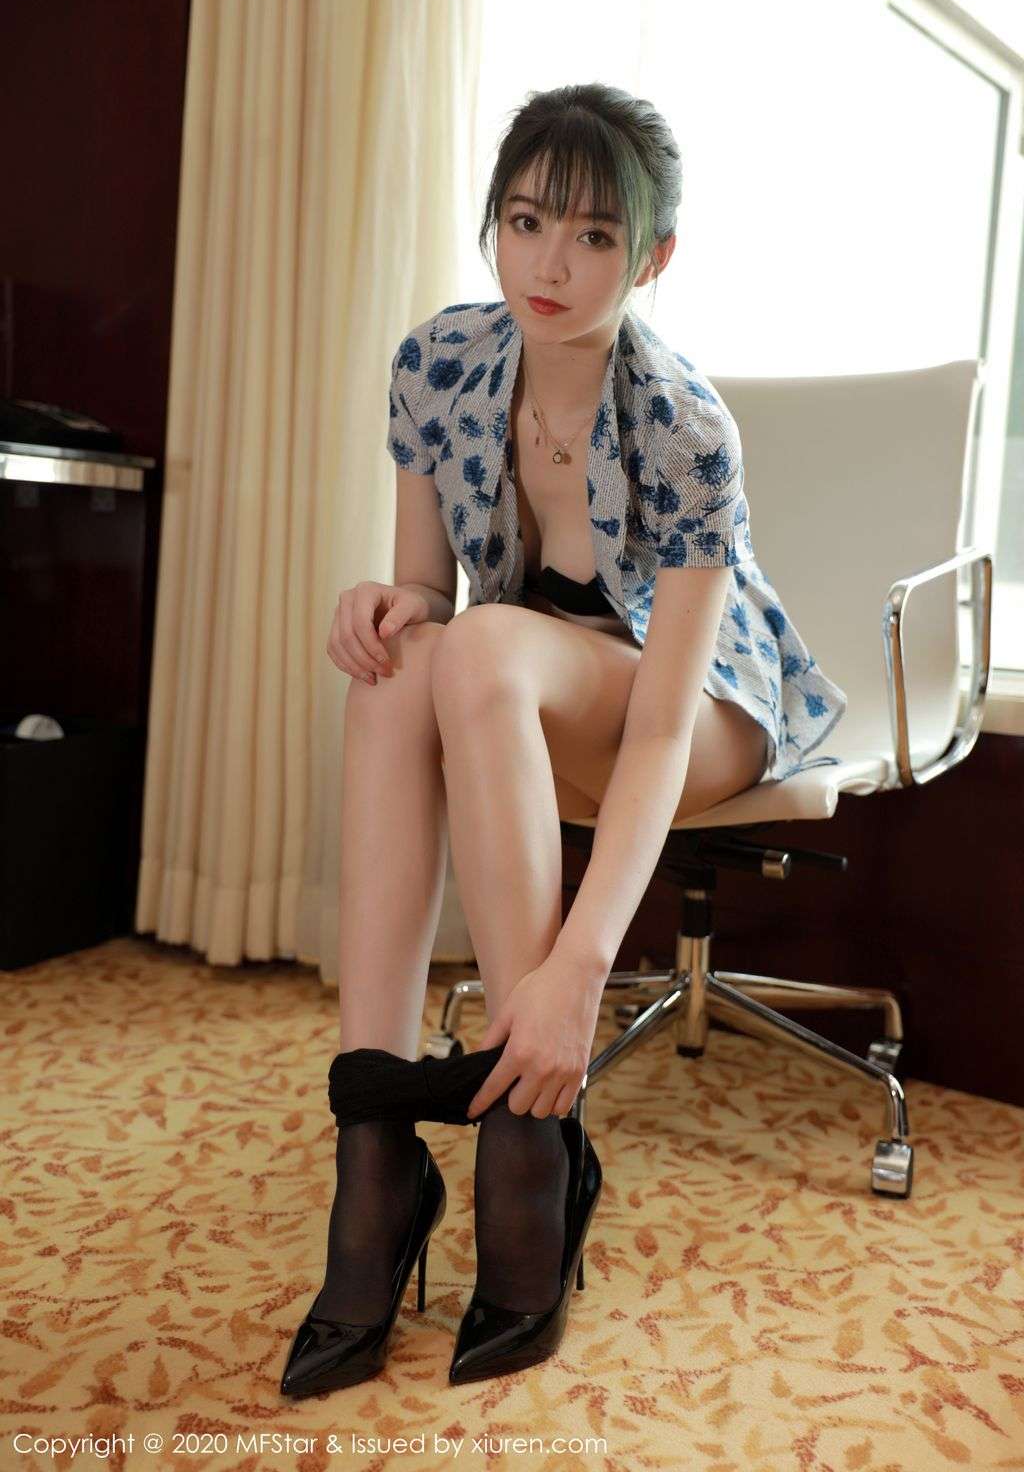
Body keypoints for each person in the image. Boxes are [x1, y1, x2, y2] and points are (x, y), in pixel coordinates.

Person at [281, 83, 848, 1398]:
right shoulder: (438, 363)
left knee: (480, 648)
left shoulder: (687, 427)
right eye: (528, 221)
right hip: (527, 690)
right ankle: (377, 1140)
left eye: (595, 236)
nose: (550, 263)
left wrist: (581, 971)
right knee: (402, 666)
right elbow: (428, 588)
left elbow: (658, 730)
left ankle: (530, 1141)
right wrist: (385, 603)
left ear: (652, 259)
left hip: (701, 714)